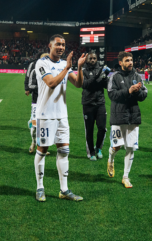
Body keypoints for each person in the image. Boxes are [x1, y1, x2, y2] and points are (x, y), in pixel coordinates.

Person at [34, 34, 88, 202]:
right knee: (42, 151)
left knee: (64, 151)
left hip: (62, 116)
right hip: (46, 115)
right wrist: (67, 68)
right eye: (58, 44)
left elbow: (78, 84)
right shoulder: (42, 63)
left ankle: (64, 190)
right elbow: (51, 83)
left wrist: (78, 68)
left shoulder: (66, 64)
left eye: (63, 45)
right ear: (50, 46)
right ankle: (40, 187)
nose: (61, 47)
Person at [107, 51, 147, 188]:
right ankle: (110, 159)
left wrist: (138, 92)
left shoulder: (137, 76)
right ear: (120, 63)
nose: (130, 62)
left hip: (133, 117)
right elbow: (112, 95)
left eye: (131, 60)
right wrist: (128, 91)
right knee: (116, 146)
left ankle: (125, 177)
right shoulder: (115, 77)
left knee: (131, 147)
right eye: (127, 60)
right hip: (118, 117)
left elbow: (144, 95)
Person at [82, 52, 109, 161]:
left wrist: (104, 78)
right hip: (88, 103)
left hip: (100, 103)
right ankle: (91, 153)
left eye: (94, 58)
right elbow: (86, 85)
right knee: (89, 130)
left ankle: (98, 148)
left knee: (102, 128)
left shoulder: (101, 69)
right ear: (87, 60)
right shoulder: (83, 70)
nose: (93, 60)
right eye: (91, 58)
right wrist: (98, 77)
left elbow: (106, 86)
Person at [24, 53, 48, 153]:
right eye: (43, 57)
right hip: (36, 100)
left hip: (48, 102)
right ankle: (33, 142)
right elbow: (30, 82)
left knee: (45, 126)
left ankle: (42, 146)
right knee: (34, 126)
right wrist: (28, 88)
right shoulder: (34, 67)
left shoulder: (51, 67)